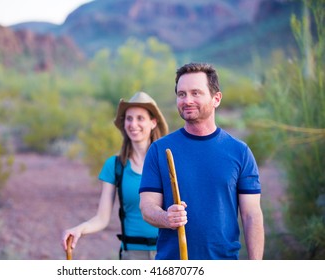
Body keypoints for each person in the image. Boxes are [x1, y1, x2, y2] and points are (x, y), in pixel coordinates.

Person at [139, 62, 264, 260]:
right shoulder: (160, 150)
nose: (187, 100)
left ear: (216, 99)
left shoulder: (239, 152)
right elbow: (147, 207)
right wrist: (166, 217)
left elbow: (252, 216)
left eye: (196, 93)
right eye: (181, 94)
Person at [62, 91, 169, 260]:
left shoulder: (168, 163)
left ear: (153, 122)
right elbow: (102, 218)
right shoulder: (115, 166)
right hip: (132, 255)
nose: (133, 124)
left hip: (168, 252)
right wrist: (79, 229)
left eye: (140, 118)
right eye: (129, 118)